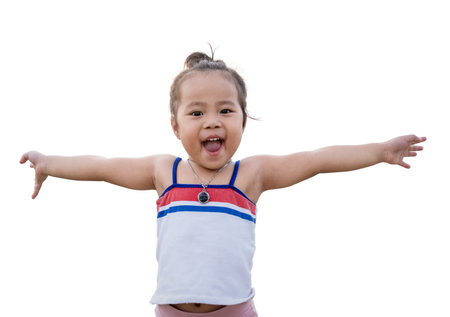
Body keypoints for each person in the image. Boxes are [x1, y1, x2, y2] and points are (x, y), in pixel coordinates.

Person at [20, 51, 426, 317]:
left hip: (235, 310)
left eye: (225, 110)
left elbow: (317, 160)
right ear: (176, 125)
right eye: (196, 112)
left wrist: (379, 151)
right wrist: (50, 163)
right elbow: (103, 166)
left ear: (242, 122)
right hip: (170, 311)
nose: (212, 121)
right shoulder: (164, 171)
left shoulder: (250, 175)